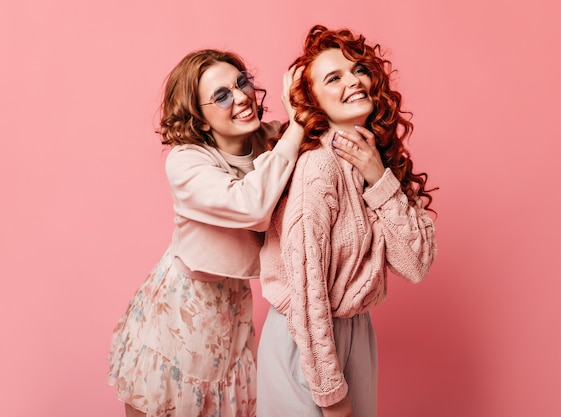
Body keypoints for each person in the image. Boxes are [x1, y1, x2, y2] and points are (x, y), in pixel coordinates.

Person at [107, 49, 304, 417]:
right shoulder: (185, 161)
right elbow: (251, 208)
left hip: (234, 307)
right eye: (222, 95)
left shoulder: (272, 140)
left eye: (241, 82)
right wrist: (296, 131)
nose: (242, 97)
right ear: (198, 117)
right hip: (182, 309)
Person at [256, 25, 438, 417]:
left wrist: (379, 177)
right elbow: (307, 293)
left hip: (357, 335)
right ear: (314, 103)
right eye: (333, 77)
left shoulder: (377, 163)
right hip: (305, 340)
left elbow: (417, 265)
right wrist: (331, 394)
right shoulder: (318, 168)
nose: (354, 81)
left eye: (358, 70)